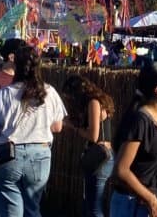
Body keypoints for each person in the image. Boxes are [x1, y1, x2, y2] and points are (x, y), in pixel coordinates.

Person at [0, 46, 67, 217]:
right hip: (40, 154)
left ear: (16, 66)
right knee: (32, 208)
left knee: (10, 210)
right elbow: (57, 127)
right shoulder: (49, 92)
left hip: (8, 154)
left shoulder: (4, 94)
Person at [109, 62, 157, 217]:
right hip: (132, 204)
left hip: (151, 204)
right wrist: (151, 200)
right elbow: (121, 170)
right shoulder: (141, 120)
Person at [63, 74, 115, 217]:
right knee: (91, 204)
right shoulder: (96, 101)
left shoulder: (93, 102)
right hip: (101, 155)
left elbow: (93, 136)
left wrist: (73, 127)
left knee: (94, 208)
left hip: (100, 157)